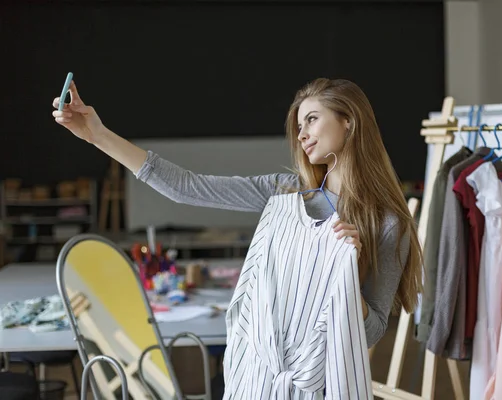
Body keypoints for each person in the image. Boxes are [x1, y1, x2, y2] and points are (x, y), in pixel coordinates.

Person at [51, 77, 423, 348]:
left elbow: (374, 330)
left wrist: (345, 273)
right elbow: (185, 187)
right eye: (298, 126)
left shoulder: (389, 223)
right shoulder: (284, 193)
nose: (302, 134)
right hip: (263, 363)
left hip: (327, 373)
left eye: (311, 119)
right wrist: (97, 135)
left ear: (349, 121)